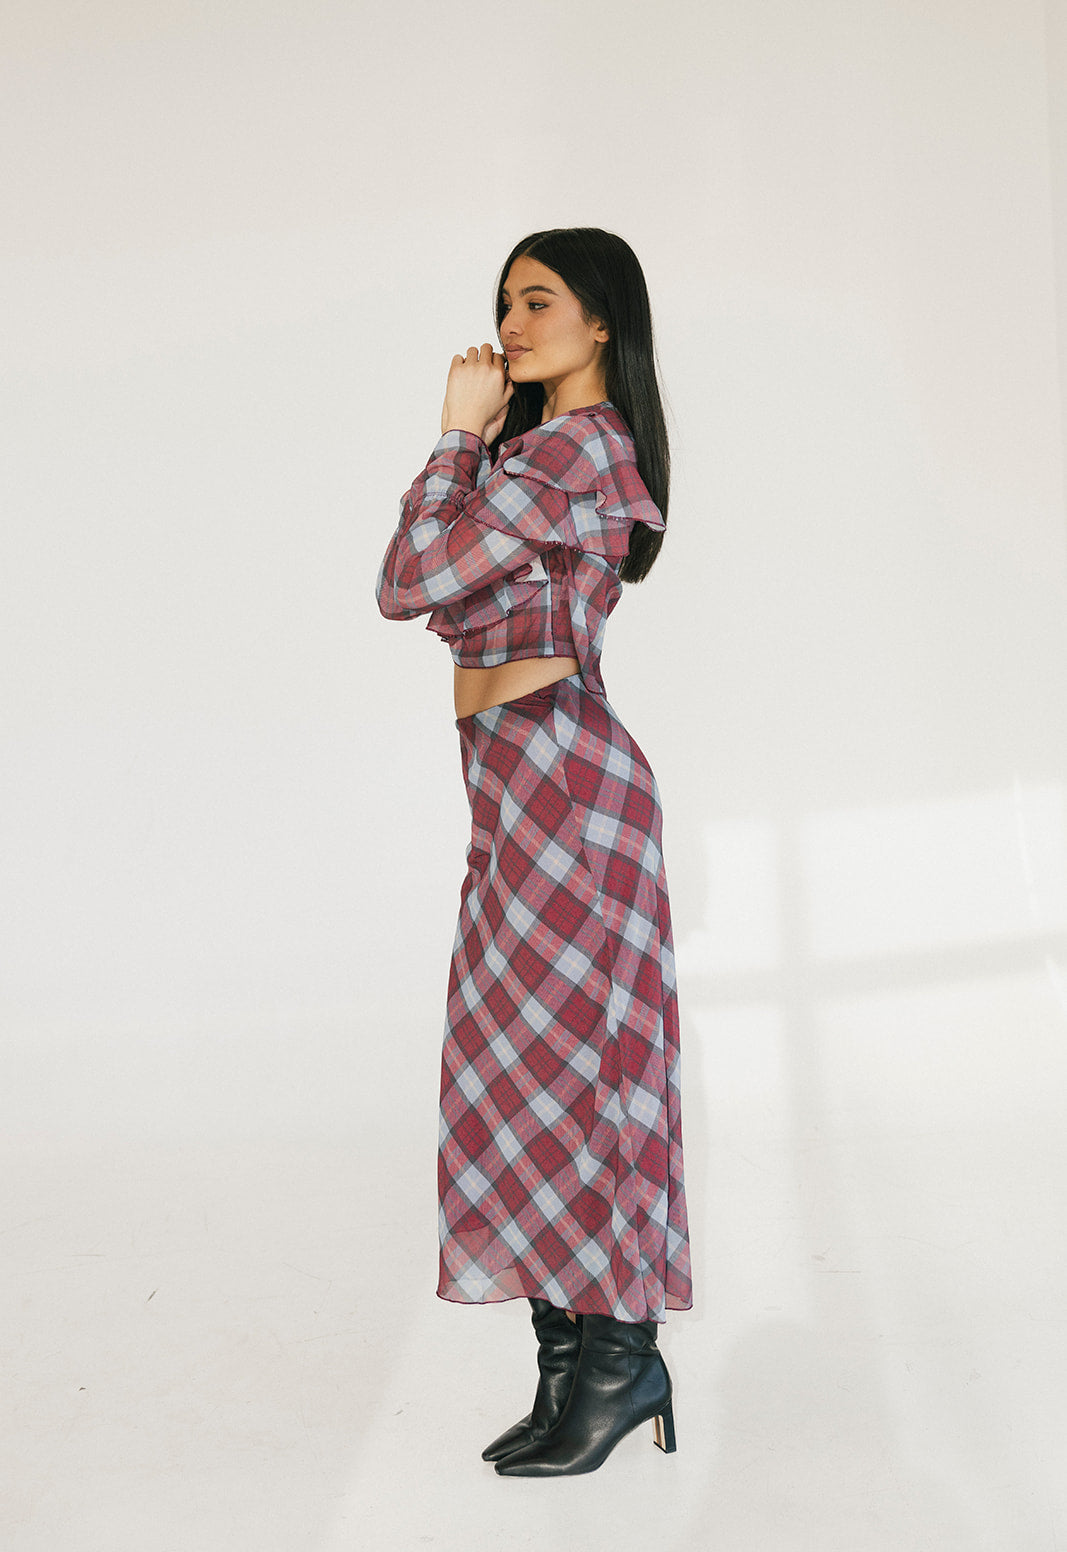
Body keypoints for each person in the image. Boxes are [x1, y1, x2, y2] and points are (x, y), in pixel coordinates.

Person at [376, 227, 692, 1477]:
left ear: (601, 319)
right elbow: (428, 579)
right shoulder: (533, 458)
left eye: (539, 301)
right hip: (515, 796)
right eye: (504, 301)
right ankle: (568, 1364)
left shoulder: (574, 450)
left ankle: (619, 1364)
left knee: (582, 1075)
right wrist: (475, 449)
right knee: (520, 1080)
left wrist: (454, 434)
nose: (509, 325)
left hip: (566, 787)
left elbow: (409, 578)